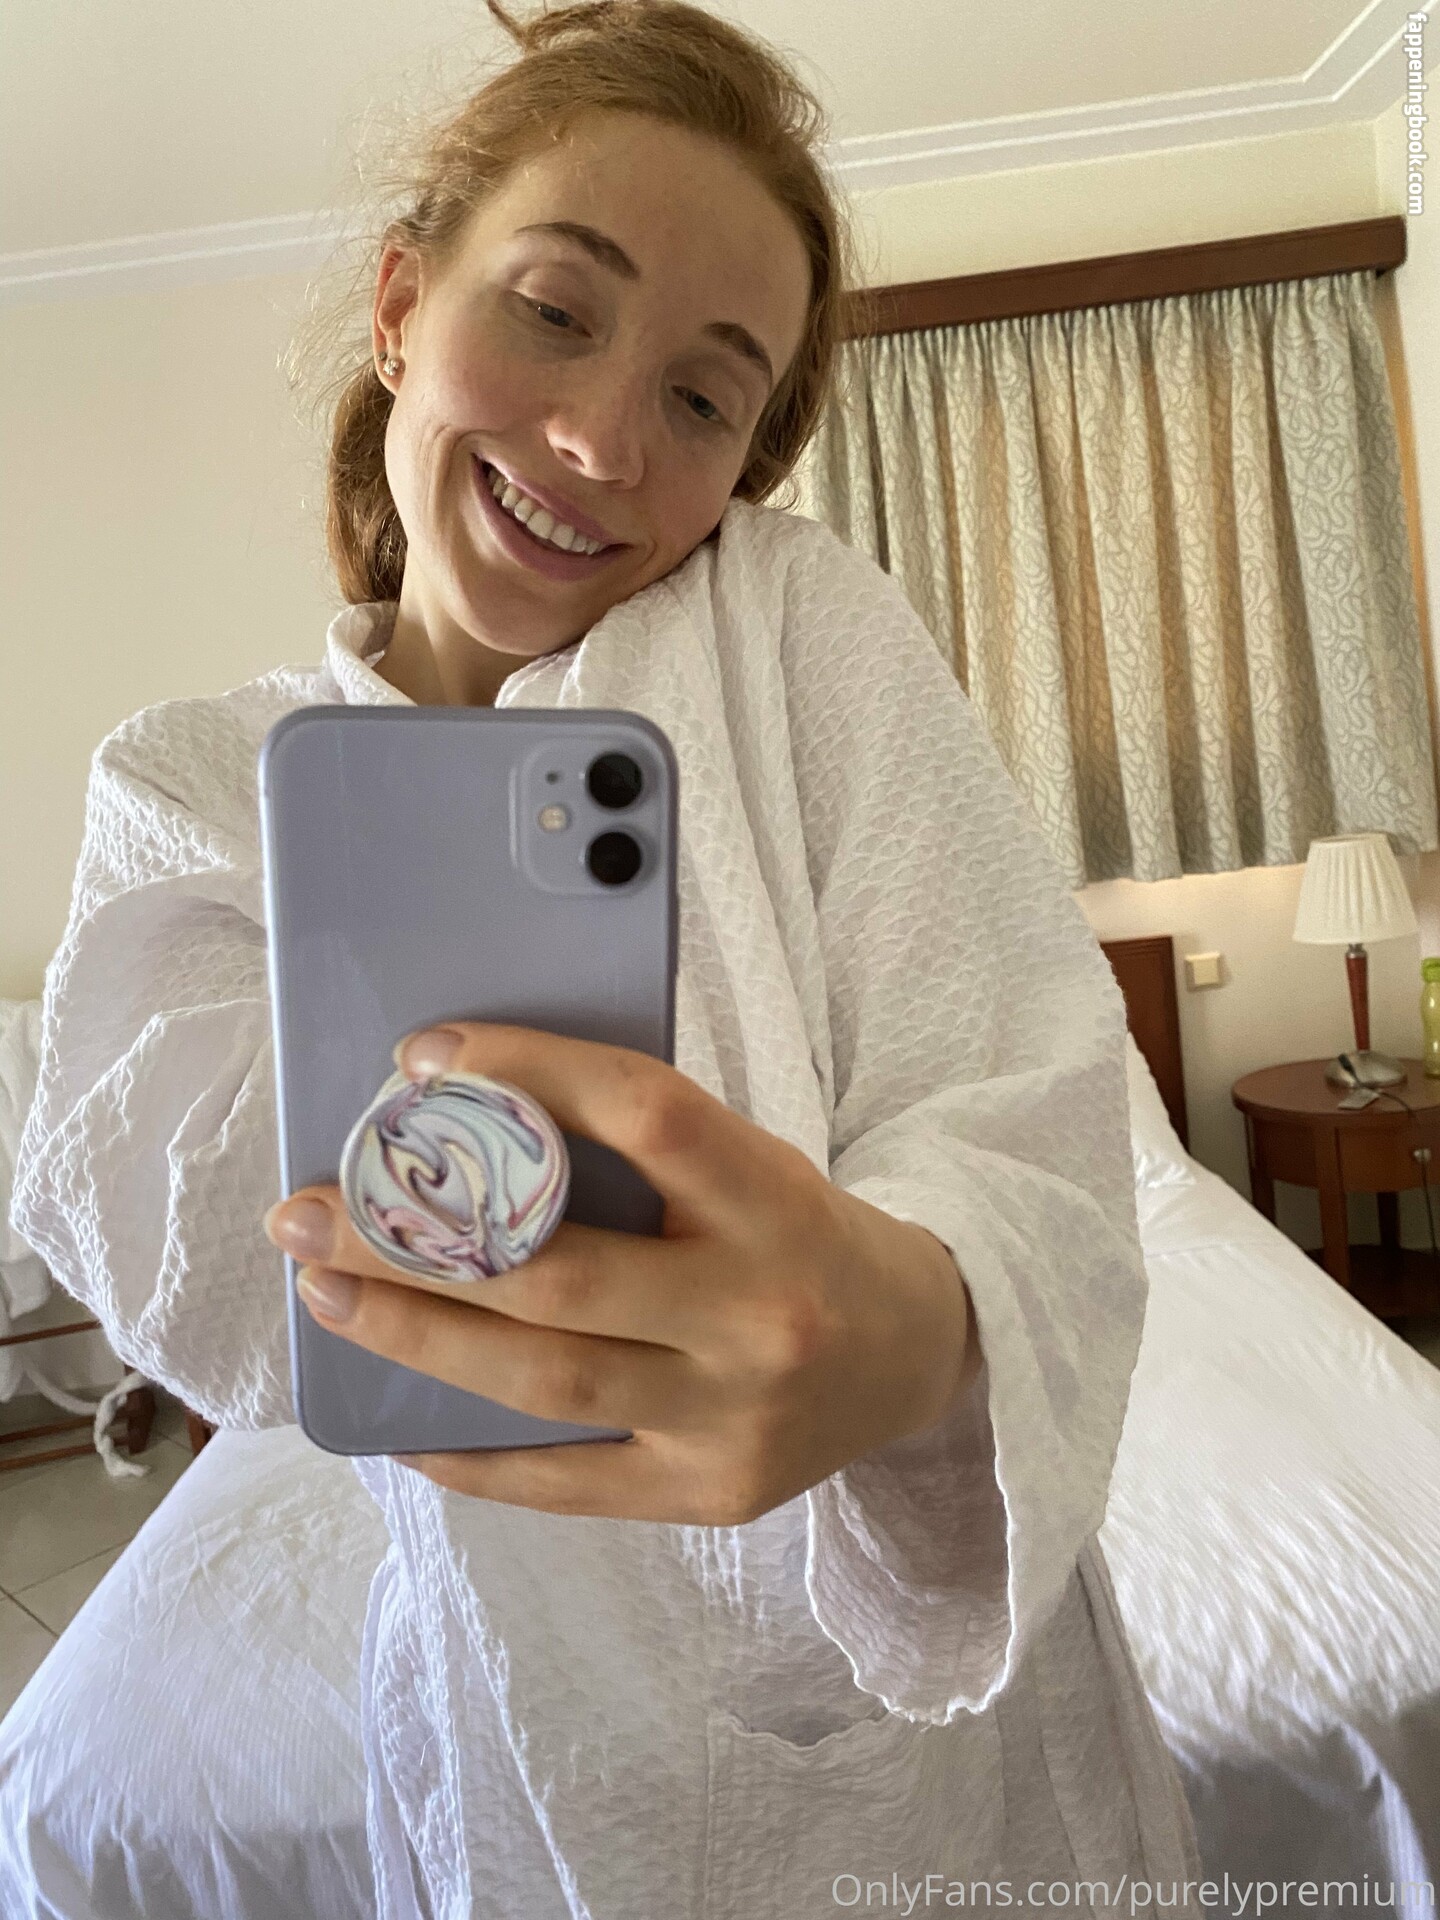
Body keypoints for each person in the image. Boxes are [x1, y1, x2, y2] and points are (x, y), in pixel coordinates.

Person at [10, 2, 1204, 1914]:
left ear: (747, 466)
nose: (598, 442)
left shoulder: (803, 634)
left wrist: (903, 1337)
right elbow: (191, 1267)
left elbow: (1026, 1098)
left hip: (946, 1774)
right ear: (400, 303)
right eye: (556, 309)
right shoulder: (203, 790)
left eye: (706, 400)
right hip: (525, 1725)